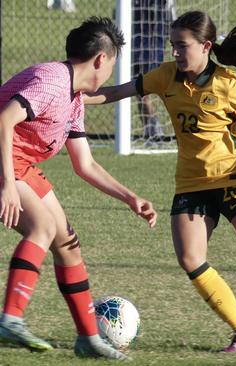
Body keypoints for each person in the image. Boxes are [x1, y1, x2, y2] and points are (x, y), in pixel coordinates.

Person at [85, 11, 236, 353]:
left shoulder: (228, 84)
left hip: (233, 179)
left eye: (182, 46)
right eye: (173, 46)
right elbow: (114, 92)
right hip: (191, 184)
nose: (176, 53)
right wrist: (73, 94)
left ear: (206, 46)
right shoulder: (165, 76)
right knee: (190, 258)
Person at [0, 17, 157, 361]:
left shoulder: (73, 98)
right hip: (6, 163)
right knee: (43, 226)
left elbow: (85, 165)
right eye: (113, 64)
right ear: (102, 59)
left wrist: (131, 197)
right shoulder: (51, 80)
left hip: (21, 165)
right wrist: (8, 185)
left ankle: (89, 339)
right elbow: (4, 119)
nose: (109, 73)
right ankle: (11, 318)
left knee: (68, 245)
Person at [132, 0, 177, 141]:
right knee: (138, 88)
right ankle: (151, 130)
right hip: (135, 38)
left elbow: (171, 15)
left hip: (152, 40)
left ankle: (154, 130)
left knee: (143, 87)